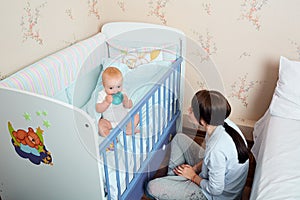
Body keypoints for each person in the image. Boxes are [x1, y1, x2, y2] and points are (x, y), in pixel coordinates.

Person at [146, 90, 249, 200]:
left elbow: (216, 189)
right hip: (212, 174)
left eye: (192, 110)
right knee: (179, 138)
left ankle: (178, 184)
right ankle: (177, 180)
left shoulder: (216, 149)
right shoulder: (219, 123)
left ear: (203, 120)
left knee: (151, 187)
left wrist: (193, 176)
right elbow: (210, 159)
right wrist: (194, 168)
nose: (188, 110)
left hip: (215, 196)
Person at [96, 66, 139, 139]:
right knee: (100, 124)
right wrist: (106, 102)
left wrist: (126, 100)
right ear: (104, 85)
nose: (115, 91)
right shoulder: (102, 94)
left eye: (118, 86)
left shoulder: (123, 92)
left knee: (136, 116)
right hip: (109, 122)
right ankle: (109, 137)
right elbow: (98, 109)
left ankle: (129, 129)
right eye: (111, 88)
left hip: (124, 119)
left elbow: (129, 106)